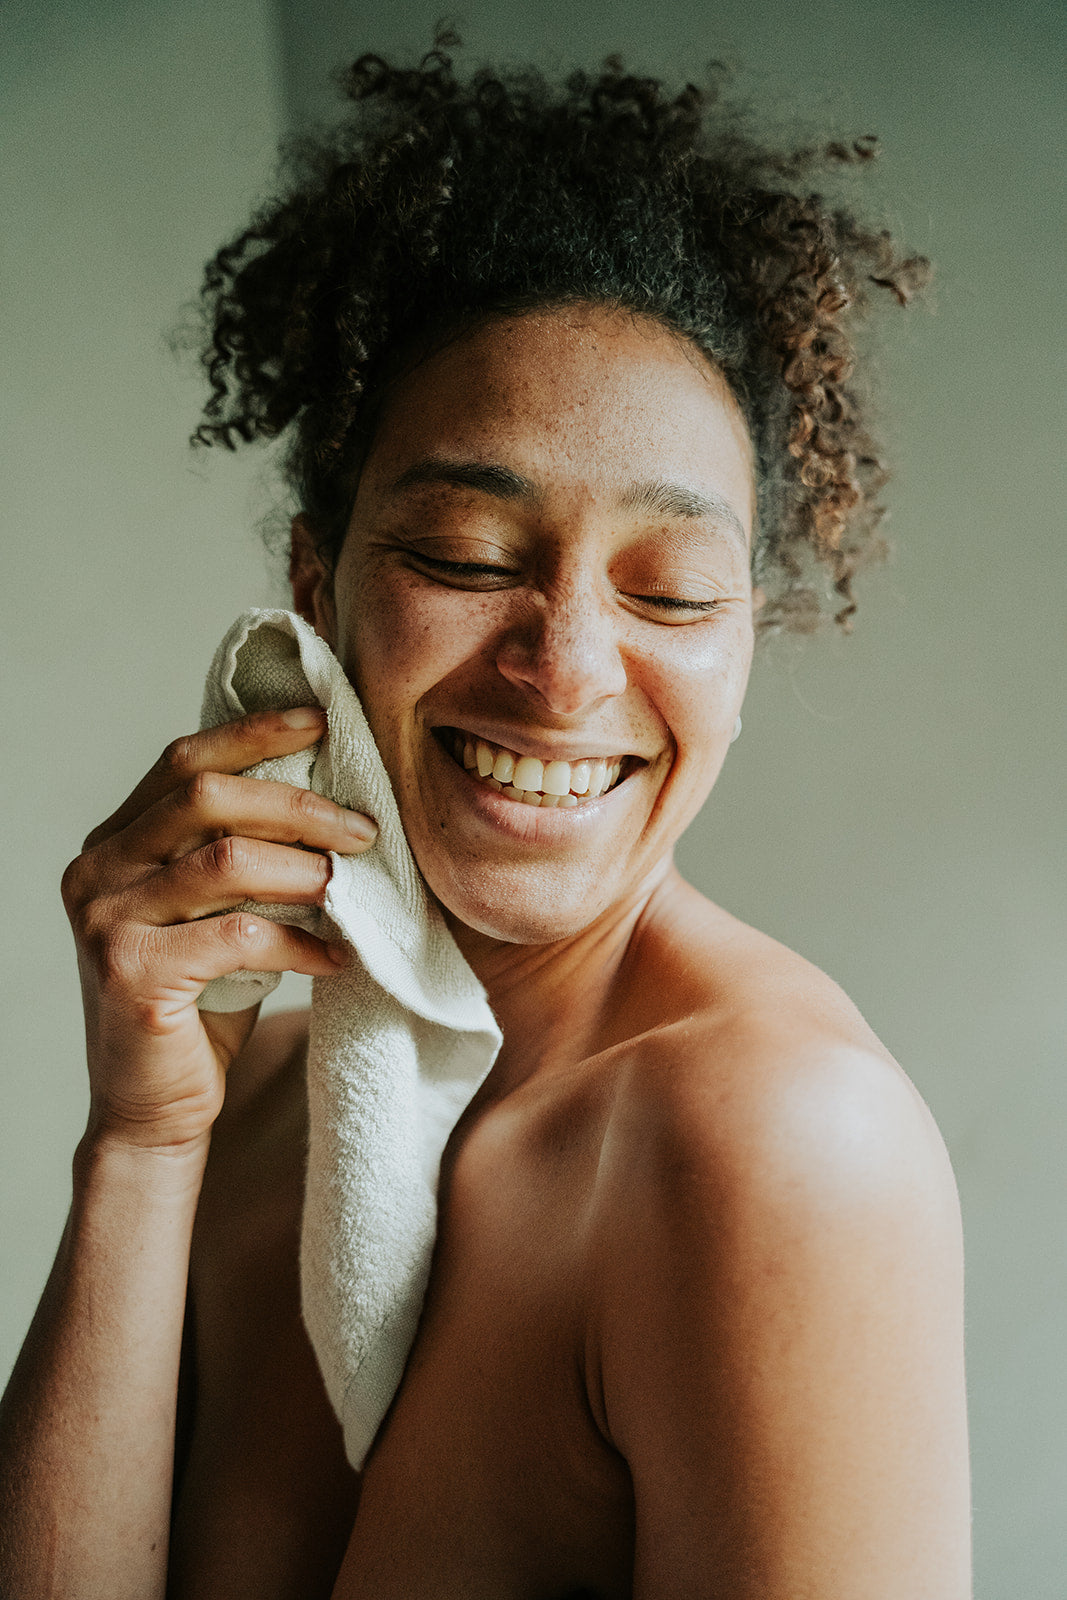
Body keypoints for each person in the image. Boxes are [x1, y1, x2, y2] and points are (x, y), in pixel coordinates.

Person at [0, 37, 971, 1599]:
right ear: (318, 595)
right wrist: (136, 1143)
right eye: (462, 555)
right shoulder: (260, 1079)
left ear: (744, 643)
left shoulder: (774, 1149)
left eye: (668, 591)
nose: (566, 669)